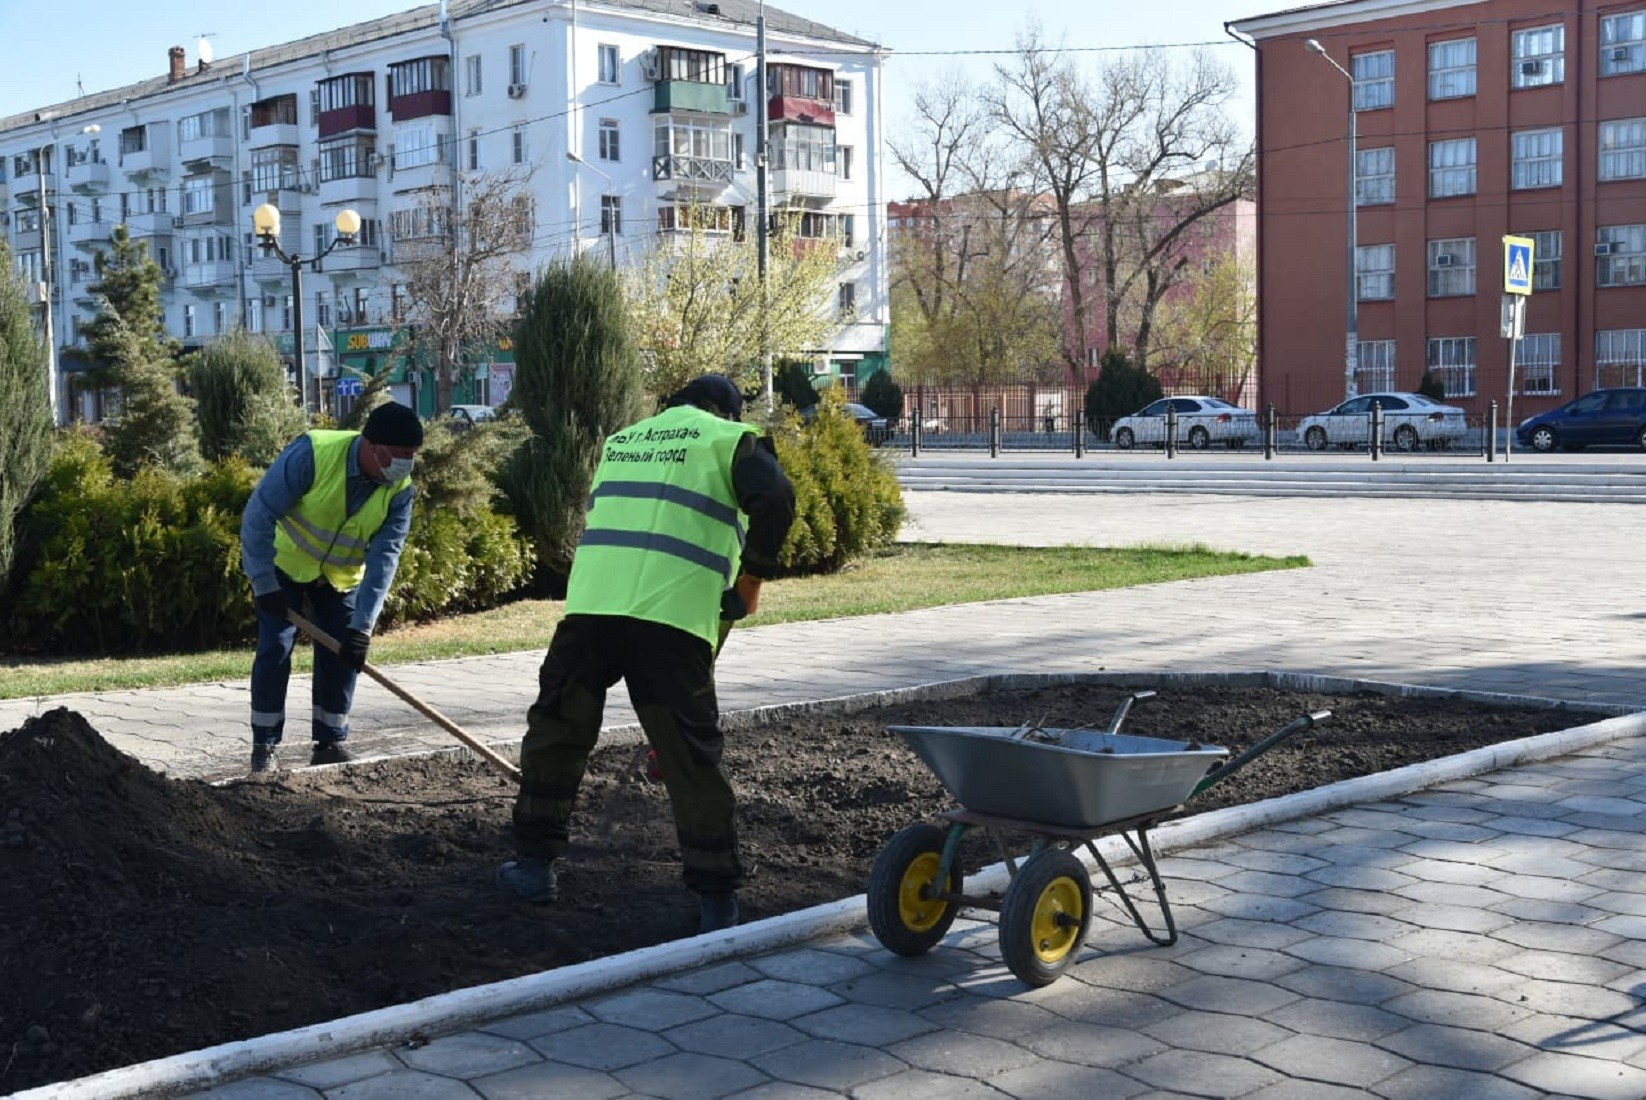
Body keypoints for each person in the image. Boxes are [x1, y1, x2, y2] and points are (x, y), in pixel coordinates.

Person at [497, 374, 796, 934]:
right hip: (670, 623)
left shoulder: (624, 440)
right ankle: (715, 897)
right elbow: (777, 499)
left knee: (556, 734)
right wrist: (752, 580)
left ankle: (534, 867)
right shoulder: (728, 440)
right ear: (724, 412)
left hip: (591, 613)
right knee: (691, 758)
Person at [240, 402, 423, 773]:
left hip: (340, 577)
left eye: (412, 457)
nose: (406, 465)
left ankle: (331, 741)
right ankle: (265, 746)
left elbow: (385, 558)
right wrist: (264, 584)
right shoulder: (314, 453)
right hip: (285, 568)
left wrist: (363, 627)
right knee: (275, 648)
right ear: (374, 447)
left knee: (344, 655)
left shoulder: (399, 489)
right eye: (401, 456)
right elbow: (259, 513)